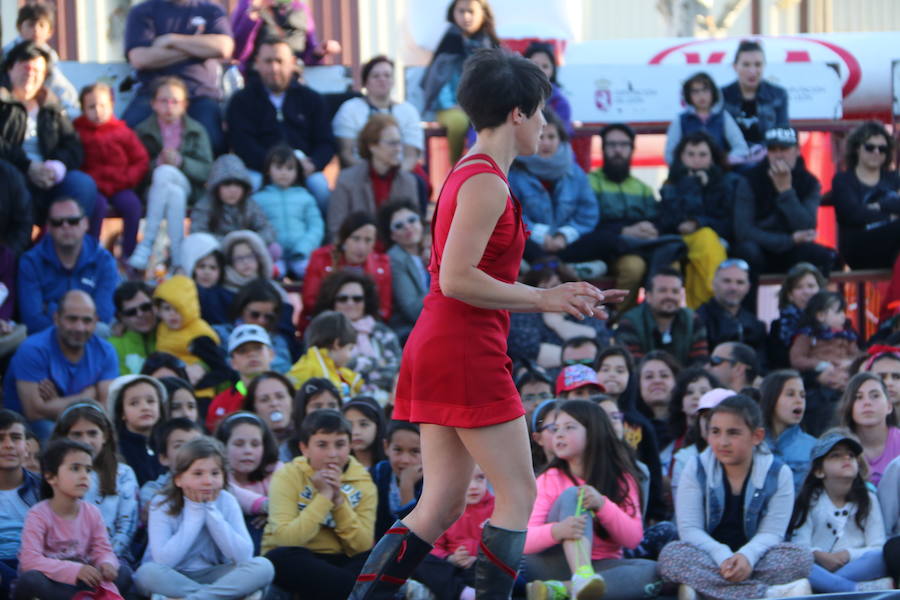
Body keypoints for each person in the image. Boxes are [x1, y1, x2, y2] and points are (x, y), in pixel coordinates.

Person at [348, 48, 624, 600]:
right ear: (518, 114)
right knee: (517, 493)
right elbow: (456, 279)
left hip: (451, 342)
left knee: (442, 502)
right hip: (463, 347)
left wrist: (560, 298)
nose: (546, 125)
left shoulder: (477, 174)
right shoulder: (485, 181)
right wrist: (547, 298)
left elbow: (471, 282)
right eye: (541, 112)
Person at [658, 395, 813, 600]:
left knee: (801, 558)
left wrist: (746, 557)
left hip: (757, 560)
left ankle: (705, 591)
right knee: (672, 556)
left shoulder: (778, 473)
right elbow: (690, 530)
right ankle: (766, 594)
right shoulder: (695, 468)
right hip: (709, 557)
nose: (723, 442)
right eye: (715, 432)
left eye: (733, 433)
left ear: (757, 436)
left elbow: (772, 533)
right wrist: (723, 556)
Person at [524, 400, 661, 600]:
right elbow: (525, 540)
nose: (559, 434)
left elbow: (633, 539)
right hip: (551, 563)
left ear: (594, 432)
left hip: (602, 565)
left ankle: (563, 590)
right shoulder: (549, 478)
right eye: (555, 429)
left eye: (569, 427)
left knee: (655, 571)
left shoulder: (622, 479)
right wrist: (557, 530)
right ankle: (582, 578)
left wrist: (602, 505)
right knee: (574, 494)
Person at [134, 437, 275, 598]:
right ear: (179, 479)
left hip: (218, 575)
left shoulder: (227, 500)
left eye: (215, 473)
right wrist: (194, 513)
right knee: (147, 573)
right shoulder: (162, 503)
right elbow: (164, 560)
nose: (208, 481)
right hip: (173, 576)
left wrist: (212, 512)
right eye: (198, 474)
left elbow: (243, 556)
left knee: (263, 566)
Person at [565, 124, 683, 312]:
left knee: (673, 264)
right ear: (603, 149)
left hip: (642, 247)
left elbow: (657, 220)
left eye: (623, 145)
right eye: (612, 145)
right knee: (633, 267)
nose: (617, 150)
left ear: (631, 149)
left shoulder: (642, 188)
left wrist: (652, 229)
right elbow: (587, 224)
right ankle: (622, 323)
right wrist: (623, 230)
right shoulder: (589, 183)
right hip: (608, 250)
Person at [263, 410, 377, 599]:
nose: (332, 454)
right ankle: (368, 594)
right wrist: (324, 497)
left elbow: (361, 545)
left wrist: (339, 502)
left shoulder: (363, 482)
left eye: (340, 444)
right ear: (304, 448)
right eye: (322, 445)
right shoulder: (287, 475)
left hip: (341, 559)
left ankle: (355, 592)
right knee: (281, 558)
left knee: (371, 559)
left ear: (350, 446)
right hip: (298, 556)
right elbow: (286, 539)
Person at [15, 439, 133, 599]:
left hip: (84, 582)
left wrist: (106, 564)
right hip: (54, 584)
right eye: (75, 468)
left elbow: (102, 549)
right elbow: (29, 561)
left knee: (123, 572)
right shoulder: (38, 514)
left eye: (88, 470)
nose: (84, 476)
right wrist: (75, 570)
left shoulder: (92, 512)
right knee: (30, 580)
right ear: (51, 477)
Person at [226, 36, 335, 209]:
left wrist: (313, 163)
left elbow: (326, 141)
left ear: (292, 63)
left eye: (279, 61)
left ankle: (326, 235)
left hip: (305, 168)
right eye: (268, 61)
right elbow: (241, 143)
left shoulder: (312, 99)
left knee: (320, 187)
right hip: (260, 169)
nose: (274, 68)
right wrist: (272, 167)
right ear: (257, 63)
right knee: (250, 185)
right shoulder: (242, 101)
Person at [0, 41, 99, 231]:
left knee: (82, 184)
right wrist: (27, 166)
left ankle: (63, 250)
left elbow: (73, 146)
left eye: (38, 71)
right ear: (10, 68)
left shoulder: (52, 106)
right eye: (25, 68)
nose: (31, 74)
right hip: (11, 177)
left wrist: (56, 167)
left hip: (48, 177)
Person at [3, 290, 118, 440]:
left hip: (83, 425)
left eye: (87, 321)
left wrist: (55, 404)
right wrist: (86, 397)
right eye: (72, 319)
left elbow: (105, 409)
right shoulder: (33, 350)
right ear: (56, 318)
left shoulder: (105, 351)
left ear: (96, 321)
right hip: (27, 430)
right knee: (52, 432)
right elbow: (34, 412)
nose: (79, 328)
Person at [122, 0, 233, 154]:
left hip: (199, 94)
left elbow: (224, 47)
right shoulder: (142, 11)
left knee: (215, 142)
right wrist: (197, 49)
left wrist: (171, 40)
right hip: (152, 94)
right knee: (125, 138)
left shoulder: (211, 9)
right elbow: (140, 58)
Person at [788, 432, 891, 593]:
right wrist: (820, 555)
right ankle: (853, 589)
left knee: (880, 558)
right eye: (836, 455)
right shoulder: (809, 500)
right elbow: (800, 546)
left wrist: (847, 555)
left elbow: (877, 546)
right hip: (819, 567)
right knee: (797, 562)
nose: (846, 459)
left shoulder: (868, 498)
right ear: (819, 471)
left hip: (857, 567)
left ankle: (827, 588)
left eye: (851, 455)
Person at [130, 76, 214, 273]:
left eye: (175, 101)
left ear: (184, 105)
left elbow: (206, 171)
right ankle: (177, 256)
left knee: (166, 173)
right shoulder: (143, 131)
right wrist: (156, 163)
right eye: (163, 101)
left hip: (190, 188)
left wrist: (182, 163)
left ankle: (146, 243)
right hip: (155, 190)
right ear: (153, 104)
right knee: (171, 188)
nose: (169, 106)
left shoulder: (196, 131)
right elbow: (136, 168)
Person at [733, 127, 837, 278]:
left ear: (797, 150)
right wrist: (788, 240)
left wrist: (785, 191)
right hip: (762, 247)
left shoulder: (809, 182)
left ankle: (815, 301)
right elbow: (743, 231)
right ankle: (747, 303)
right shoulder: (749, 180)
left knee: (820, 256)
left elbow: (806, 226)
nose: (779, 155)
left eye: (784, 149)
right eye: (773, 149)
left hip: (793, 250)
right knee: (747, 252)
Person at [508, 108, 599, 269]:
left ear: (561, 139)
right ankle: (556, 268)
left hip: (565, 245)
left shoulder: (575, 172)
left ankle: (550, 268)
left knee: (605, 240)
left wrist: (564, 236)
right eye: (541, 136)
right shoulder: (514, 172)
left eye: (552, 137)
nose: (546, 143)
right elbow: (512, 214)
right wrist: (540, 235)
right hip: (530, 243)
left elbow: (588, 213)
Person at [50, 403, 139, 564]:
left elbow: (127, 526)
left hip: (112, 559)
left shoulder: (123, 474)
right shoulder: (54, 474)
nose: (86, 441)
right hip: (63, 560)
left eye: (92, 433)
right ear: (63, 438)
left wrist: (102, 559)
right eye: (77, 435)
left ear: (105, 436)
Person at [17, 197, 119, 335]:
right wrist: (83, 315)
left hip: (90, 339)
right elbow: (32, 322)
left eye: (73, 221)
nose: (65, 226)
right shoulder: (30, 262)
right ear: (49, 228)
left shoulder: (104, 260)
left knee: (102, 331)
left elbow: (103, 317)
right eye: (57, 222)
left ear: (86, 223)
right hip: (46, 343)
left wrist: (51, 308)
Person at [73, 82, 147, 264]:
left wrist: (128, 179)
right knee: (95, 207)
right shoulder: (78, 133)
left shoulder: (122, 131)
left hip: (120, 185)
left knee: (132, 206)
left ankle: (129, 254)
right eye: (91, 106)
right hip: (94, 187)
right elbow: (74, 161)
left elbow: (140, 159)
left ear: (112, 105)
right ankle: (92, 253)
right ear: (83, 108)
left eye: (102, 105)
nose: (98, 111)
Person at [421, 0, 500, 164]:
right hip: (451, 106)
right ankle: (456, 168)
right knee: (458, 122)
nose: (466, 16)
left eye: (471, 11)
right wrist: (454, 104)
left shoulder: (490, 44)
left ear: (482, 13)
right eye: (461, 11)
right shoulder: (449, 42)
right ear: (453, 13)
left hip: (483, 108)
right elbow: (439, 81)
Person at [595, 346, 668, 524]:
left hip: (633, 505)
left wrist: (654, 512)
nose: (612, 374)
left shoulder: (641, 424)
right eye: (605, 369)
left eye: (620, 370)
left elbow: (653, 470)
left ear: (630, 377)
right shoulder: (585, 417)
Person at [327, 114, 423, 239]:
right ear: (372, 146)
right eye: (392, 143)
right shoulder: (347, 180)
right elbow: (336, 228)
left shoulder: (408, 181)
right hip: (359, 253)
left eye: (400, 143)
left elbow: (415, 227)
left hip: (397, 253)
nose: (399, 149)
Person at [311, 271, 402, 400]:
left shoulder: (382, 331)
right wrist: (375, 364)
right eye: (343, 299)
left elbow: (395, 369)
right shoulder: (321, 330)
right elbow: (321, 366)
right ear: (332, 301)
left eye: (357, 299)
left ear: (366, 302)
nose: (350, 303)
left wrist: (354, 367)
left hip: (382, 398)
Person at [509, 257, 612, 369]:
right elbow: (526, 350)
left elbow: (601, 341)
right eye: (541, 288)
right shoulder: (524, 313)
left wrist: (559, 324)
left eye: (554, 286)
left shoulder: (583, 305)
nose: (549, 292)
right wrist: (579, 356)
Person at [301, 211, 393, 329]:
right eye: (356, 239)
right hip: (325, 326)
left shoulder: (382, 264)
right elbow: (310, 302)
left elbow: (384, 310)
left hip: (367, 327)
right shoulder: (321, 258)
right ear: (344, 239)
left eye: (368, 240)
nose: (361, 247)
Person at [332, 55, 424, 171]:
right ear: (365, 82)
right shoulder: (349, 109)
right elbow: (345, 153)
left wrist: (394, 178)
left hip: (400, 174)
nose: (382, 79)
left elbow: (411, 156)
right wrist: (373, 177)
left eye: (387, 75)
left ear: (393, 81)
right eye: (376, 76)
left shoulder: (408, 111)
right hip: (360, 175)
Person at [832, 121, 900, 269]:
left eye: (882, 149)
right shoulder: (843, 180)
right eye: (870, 147)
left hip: (891, 248)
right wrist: (890, 216)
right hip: (858, 247)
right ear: (857, 148)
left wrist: (879, 205)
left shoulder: (894, 178)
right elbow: (852, 214)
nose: (876, 152)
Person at [214, 411, 283, 554]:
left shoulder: (275, 469)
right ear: (222, 447)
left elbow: (287, 494)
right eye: (239, 444)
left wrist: (275, 513)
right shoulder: (216, 475)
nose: (248, 451)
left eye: (255, 444)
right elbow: (229, 490)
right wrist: (265, 506)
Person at [252, 144, 324, 279]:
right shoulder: (258, 199)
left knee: (310, 273)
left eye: (289, 168)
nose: (284, 173)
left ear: (297, 172)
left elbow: (316, 227)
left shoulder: (306, 198)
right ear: (268, 170)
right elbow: (255, 228)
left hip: (301, 254)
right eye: (279, 168)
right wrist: (270, 248)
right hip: (273, 256)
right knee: (271, 274)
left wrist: (304, 247)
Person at [153, 274, 231, 395]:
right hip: (169, 392)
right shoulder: (163, 328)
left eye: (178, 309)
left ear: (189, 307)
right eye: (167, 309)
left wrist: (192, 385)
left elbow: (222, 370)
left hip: (198, 396)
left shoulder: (199, 335)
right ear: (159, 310)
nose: (172, 314)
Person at [616, 268, 709, 366]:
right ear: (648, 296)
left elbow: (700, 363)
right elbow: (633, 365)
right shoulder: (630, 322)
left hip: (686, 380)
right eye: (663, 290)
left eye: (675, 291)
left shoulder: (693, 320)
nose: (669, 296)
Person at [428, 465, 495, 600]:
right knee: (421, 559)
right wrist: (451, 558)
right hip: (452, 568)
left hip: (482, 567)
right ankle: (465, 593)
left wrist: (479, 558)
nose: (474, 486)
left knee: (496, 571)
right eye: (466, 479)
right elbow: (434, 545)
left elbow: (503, 543)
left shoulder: (496, 506)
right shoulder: (445, 509)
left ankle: (457, 592)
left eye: (480, 478)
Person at [190, 153, 279, 253]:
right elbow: (198, 234)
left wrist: (249, 242)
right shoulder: (205, 206)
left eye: (237, 185)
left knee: (274, 249)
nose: (233, 190)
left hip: (247, 253)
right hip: (217, 256)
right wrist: (230, 244)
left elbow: (268, 230)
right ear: (216, 186)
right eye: (227, 185)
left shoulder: (249, 205)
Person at [2, 3, 78, 116]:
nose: (36, 30)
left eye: (41, 25)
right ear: (19, 27)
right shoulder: (7, 54)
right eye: (31, 25)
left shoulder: (50, 56)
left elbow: (59, 87)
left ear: (50, 32)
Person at [665, 72, 751, 167]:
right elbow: (670, 154)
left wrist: (724, 161)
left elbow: (741, 148)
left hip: (719, 173)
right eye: (695, 91)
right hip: (687, 174)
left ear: (713, 92)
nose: (701, 95)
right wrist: (686, 168)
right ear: (688, 95)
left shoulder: (723, 117)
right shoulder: (681, 120)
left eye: (705, 90)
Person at [214, 278, 296, 375]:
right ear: (241, 310)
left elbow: (284, 369)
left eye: (268, 317)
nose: (261, 321)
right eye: (255, 315)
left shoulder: (277, 340)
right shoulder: (219, 334)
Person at [0, 410, 42, 598]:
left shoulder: (45, 489)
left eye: (15, 438)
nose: (8, 445)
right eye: (0, 439)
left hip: (35, 567)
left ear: (26, 446)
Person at [231, 0, 341, 71]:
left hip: (293, 79)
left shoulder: (300, 8)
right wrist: (252, 17)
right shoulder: (248, 4)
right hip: (258, 79)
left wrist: (318, 52)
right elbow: (238, 53)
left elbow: (307, 56)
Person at [721, 40, 789, 152]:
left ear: (764, 66)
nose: (752, 71)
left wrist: (760, 151)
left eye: (758, 64)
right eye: (746, 65)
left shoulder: (778, 95)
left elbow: (781, 135)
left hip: (767, 158)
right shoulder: (722, 96)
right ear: (735, 66)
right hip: (731, 159)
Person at [696, 259, 767, 365]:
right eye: (727, 281)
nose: (733, 287)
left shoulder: (756, 325)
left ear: (748, 288)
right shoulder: (697, 320)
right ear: (713, 284)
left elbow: (762, 366)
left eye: (740, 282)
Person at [207, 323, 275, 431]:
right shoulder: (220, 403)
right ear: (232, 362)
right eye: (242, 351)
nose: (251, 354)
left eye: (258, 348)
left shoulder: (288, 394)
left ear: (271, 354)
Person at [378, 200, 429, 339]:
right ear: (392, 235)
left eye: (412, 220)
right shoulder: (395, 259)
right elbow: (413, 311)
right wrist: (438, 271)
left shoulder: (430, 249)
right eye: (399, 226)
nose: (407, 227)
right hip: (409, 330)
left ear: (420, 223)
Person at [839, 373, 900, 486]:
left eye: (875, 396)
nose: (867, 403)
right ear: (848, 406)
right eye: (858, 397)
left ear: (889, 406)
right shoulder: (838, 445)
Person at [758, 370, 816, 490]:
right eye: (790, 394)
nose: (799, 400)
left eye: (802, 395)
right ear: (771, 398)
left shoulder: (815, 447)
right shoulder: (753, 443)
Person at [107, 374, 167, 487]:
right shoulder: (116, 449)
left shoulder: (167, 443)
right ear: (122, 413)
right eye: (134, 403)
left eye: (150, 401)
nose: (145, 407)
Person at [287, 310, 364, 398]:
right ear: (337, 344)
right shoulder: (309, 368)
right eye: (350, 349)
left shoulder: (339, 373)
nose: (351, 356)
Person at [662, 367, 719, 481]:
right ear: (680, 402)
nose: (696, 396)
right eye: (689, 392)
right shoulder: (668, 445)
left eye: (703, 392)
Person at [767, 263, 826, 370]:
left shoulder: (835, 321)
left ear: (820, 290)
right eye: (799, 287)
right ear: (790, 295)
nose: (806, 292)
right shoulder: (778, 326)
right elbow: (777, 363)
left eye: (811, 286)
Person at [371, 420, 424, 539]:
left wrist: (407, 486)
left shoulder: (431, 482)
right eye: (398, 450)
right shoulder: (379, 472)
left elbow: (415, 535)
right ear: (386, 447)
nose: (405, 460)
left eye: (415, 451)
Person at [138, 417, 204, 512]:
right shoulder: (152, 491)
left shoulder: (215, 485)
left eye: (196, 444)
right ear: (164, 458)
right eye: (179, 446)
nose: (189, 451)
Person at [242, 372, 296, 461]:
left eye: (280, 396)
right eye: (264, 400)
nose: (274, 403)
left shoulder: (309, 436)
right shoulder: (248, 448)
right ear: (254, 408)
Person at [523, 42, 572, 136]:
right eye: (535, 64)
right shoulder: (513, 95)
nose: (540, 70)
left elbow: (563, 136)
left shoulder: (560, 103)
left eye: (545, 66)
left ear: (553, 71)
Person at [109, 281, 157, 375]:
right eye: (131, 312)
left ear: (155, 305)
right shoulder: (112, 347)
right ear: (121, 317)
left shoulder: (171, 334)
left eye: (145, 307)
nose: (140, 314)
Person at [183, 232, 232, 324]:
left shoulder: (226, 297)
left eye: (213, 268)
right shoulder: (185, 295)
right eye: (201, 266)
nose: (207, 272)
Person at [342, 397, 387, 470]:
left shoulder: (390, 470)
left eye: (363, 424)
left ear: (378, 426)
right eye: (349, 425)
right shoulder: (338, 470)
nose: (355, 432)